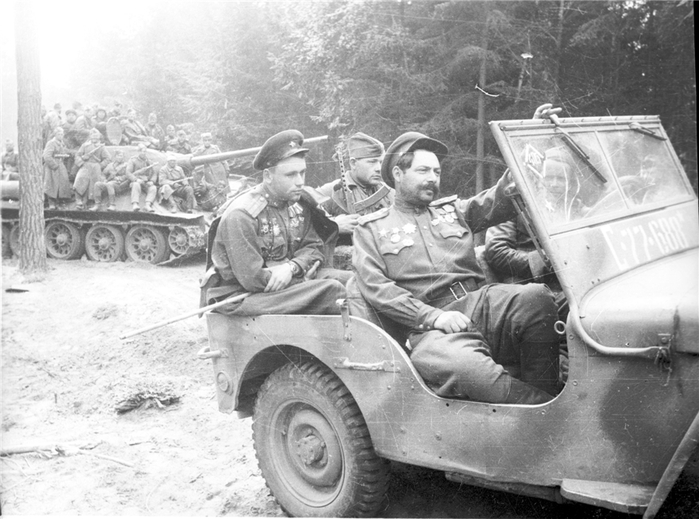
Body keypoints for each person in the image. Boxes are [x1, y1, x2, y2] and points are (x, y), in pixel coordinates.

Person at [352, 131, 560, 405]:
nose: (432, 178)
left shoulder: (454, 211)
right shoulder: (371, 229)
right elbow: (377, 289)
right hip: (430, 328)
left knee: (536, 297)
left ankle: (549, 397)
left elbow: (504, 193)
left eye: (437, 171)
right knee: (470, 370)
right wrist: (432, 317)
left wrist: (528, 141)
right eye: (423, 170)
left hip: (480, 305)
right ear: (398, 174)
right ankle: (545, 410)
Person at [202, 129, 348, 316]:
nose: (300, 182)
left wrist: (292, 267)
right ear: (268, 176)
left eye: (302, 173)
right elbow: (253, 279)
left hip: (286, 282)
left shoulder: (297, 203)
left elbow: (313, 246)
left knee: (352, 281)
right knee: (332, 290)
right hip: (244, 296)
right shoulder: (242, 215)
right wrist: (300, 278)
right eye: (291, 175)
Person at [316, 132, 394, 237]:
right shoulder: (333, 190)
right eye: (372, 162)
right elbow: (305, 223)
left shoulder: (388, 192)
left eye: (381, 162)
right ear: (353, 163)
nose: (379, 168)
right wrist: (334, 226)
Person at [73, 129, 111, 209]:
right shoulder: (85, 145)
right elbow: (77, 155)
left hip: (95, 167)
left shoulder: (101, 147)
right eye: (93, 136)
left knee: (94, 185)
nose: (94, 138)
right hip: (85, 165)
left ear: (99, 137)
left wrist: (100, 165)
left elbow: (108, 158)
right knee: (80, 179)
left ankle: (91, 202)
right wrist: (81, 162)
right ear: (90, 136)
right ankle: (78, 200)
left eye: (96, 136)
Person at [42, 128, 72, 209]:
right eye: (59, 134)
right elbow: (46, 156)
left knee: (63, 182)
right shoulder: (51, 143)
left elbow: (64, 152)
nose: (61, 136)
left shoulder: (62, 143)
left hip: (60, 164)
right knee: (52, 183)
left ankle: (60, 201)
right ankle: (51, 202)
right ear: (55, 135)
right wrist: (54, 165)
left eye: (62, 134)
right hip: (52, 166)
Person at [127, 143, 157, 212]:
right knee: (136, 185)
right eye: (143, 151)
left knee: (153, 188)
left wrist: (152, 181)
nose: (144, 153)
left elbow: (154, 173)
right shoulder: (133, 160)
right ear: (139, 151)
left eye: (145, 151)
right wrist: (136, 179)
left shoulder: (148, 161)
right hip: (136, 181)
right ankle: (135, 204)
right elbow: (128, 173)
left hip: (146, 182)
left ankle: (148, 205)